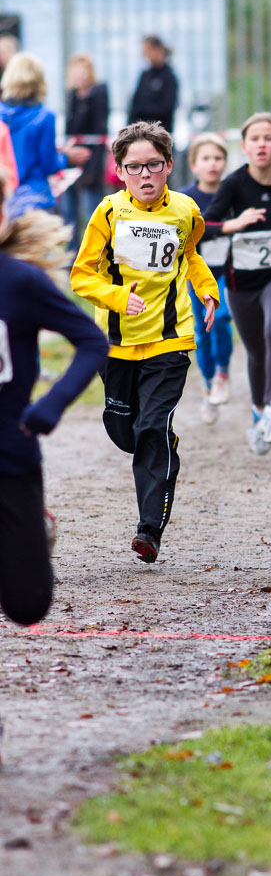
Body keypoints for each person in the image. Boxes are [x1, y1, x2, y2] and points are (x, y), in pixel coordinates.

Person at [70, 121, 219, 564]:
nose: (146, 175)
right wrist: (118, 298)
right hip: (115, 344)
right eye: (135, 167)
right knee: (126, 431)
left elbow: (190, 257)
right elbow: (81, 274)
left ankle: (148, 530)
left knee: (151, 427)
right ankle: (161, 450)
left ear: (169, 165)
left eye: (154, 165)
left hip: (169, 341)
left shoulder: (187, 211)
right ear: (119, 171)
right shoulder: (108, 213)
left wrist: (207, 290)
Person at [0, 170, 108, 626]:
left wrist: (52, 403)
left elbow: (91, 341)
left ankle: (33, 526)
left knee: (28, 606)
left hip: (9, 452)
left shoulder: (20, 282)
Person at [203, 111, 271, 453]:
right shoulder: (234, 184)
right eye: (255, 139)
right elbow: (203, 227)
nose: (262, 144)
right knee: (255, 352)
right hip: (239, 283)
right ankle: (259, 413)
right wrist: (233, 225)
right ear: (245, 147)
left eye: (268, 138)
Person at [180, 132, 233, 423]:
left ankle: (223, 372)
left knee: (222, 318)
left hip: (228, 271)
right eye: (206, 158)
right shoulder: (186, 197)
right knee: (201, 331)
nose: (212, 164)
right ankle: (209, 383)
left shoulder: (232, 191)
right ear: (194, 164)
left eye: (218, 158)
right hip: (197, 274)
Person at [0, 52, 89, 217]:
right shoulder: (44, 116)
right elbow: (49, 164)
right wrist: (66, 157)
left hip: (5, 199)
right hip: (35, 200)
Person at [61, 53, 109, 253]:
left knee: (92, 213)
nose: (79, 76)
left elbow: (99, 133)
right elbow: (70, 131)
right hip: (71, 163)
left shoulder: (97, 95)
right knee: (68, 214)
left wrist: (92, 171)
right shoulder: (71, 96)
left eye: (83, 71)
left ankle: (94, 256)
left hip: (90, 164)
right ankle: (72, 258)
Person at [128, 36, 178, 133]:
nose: (145, 55)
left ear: (158, 50)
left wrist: (142, 109)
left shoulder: (169, 77)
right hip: (139, 133)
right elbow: (134, 105)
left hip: (160, 134)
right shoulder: (144, 75)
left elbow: (167, 109)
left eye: (147, 51)